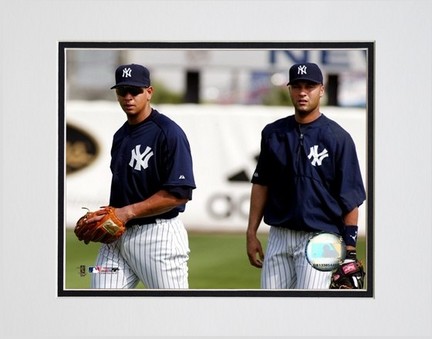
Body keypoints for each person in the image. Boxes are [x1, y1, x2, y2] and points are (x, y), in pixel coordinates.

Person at [246, 62, 366, 289]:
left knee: (310, 312)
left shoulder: (338, 138)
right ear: (289, 89)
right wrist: (251, 231)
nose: (302, 92)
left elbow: (350, 197)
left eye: (309, 86)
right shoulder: (273, 133)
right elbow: (262, 183)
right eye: (297, 86)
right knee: (271, 311)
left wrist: (350, 250)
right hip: (279, 235)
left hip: (322, 237)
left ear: (321, 89)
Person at [87, 63, 196, 289]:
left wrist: (126, 212)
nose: (128, 97)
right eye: (122, 91)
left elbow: (179, 194)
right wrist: (108, 214)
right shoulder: (120, 135)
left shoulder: (168, 133)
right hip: (116, 237)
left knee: (172, 312)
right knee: (99, 304)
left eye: (135, 91)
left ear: (149, 92)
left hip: (158, 238)